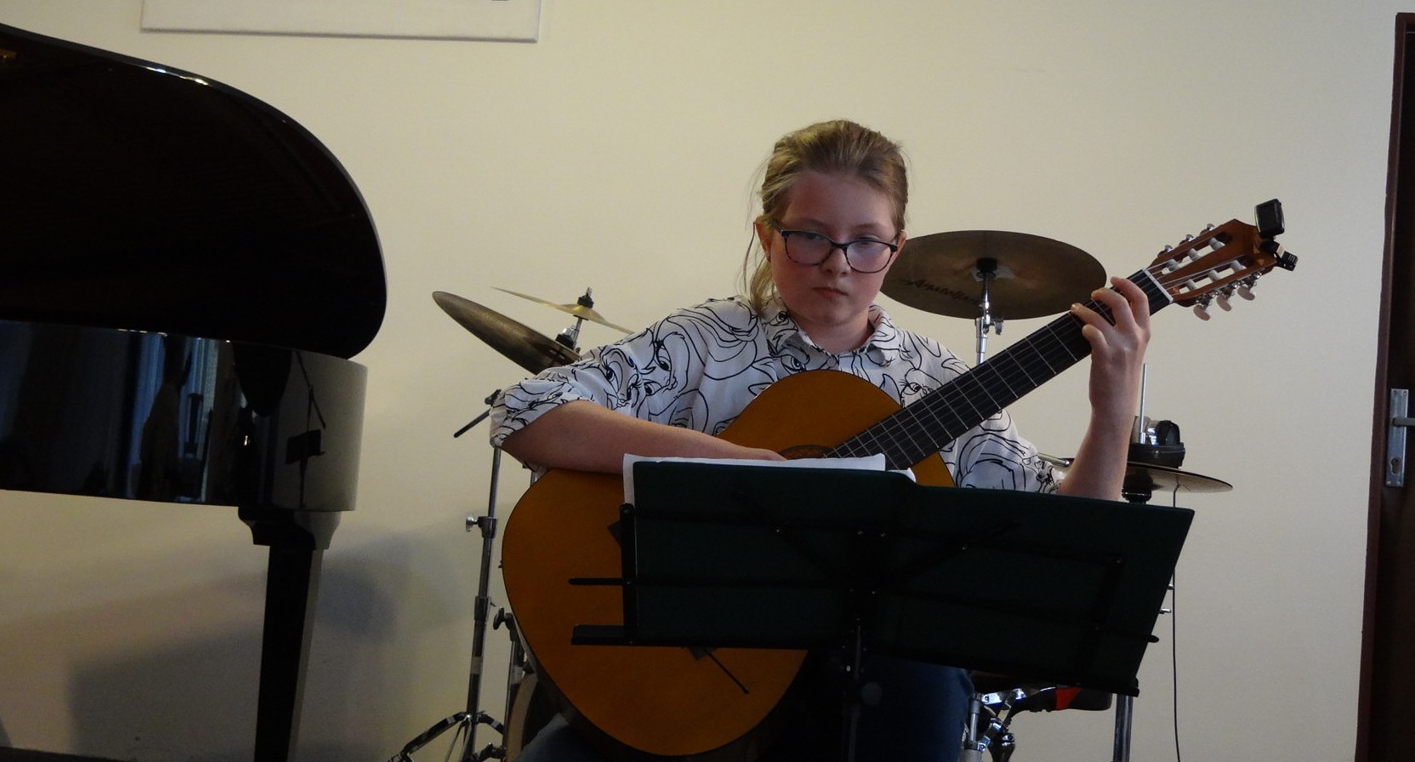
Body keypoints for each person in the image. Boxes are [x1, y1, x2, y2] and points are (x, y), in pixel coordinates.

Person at [489, 119, 1150, 762]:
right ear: (766, 235)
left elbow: (1070, 541)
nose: (837, 264)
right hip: (687, 673)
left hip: (870, 693)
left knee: (925, 684)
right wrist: (736, 465)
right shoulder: (704, 340)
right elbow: (524, 412)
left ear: (897, 248)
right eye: (809, 236)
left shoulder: (934, 380)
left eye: (866, 242)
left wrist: (1114, 402)